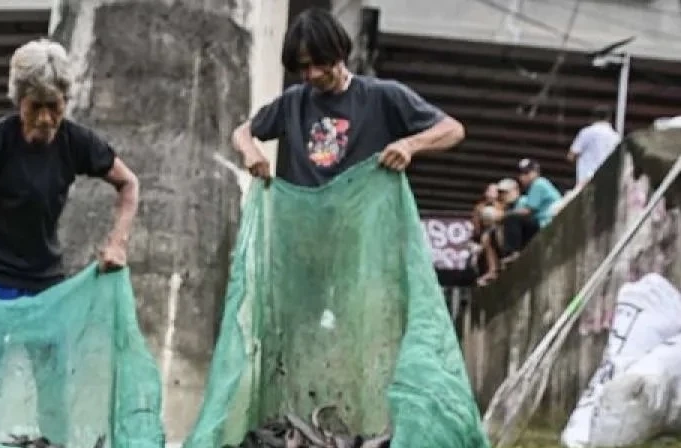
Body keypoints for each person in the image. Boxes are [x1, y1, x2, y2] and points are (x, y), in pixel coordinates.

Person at [0, 38, 141, 438]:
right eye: (35, 106)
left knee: (53, 389)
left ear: (65, 102)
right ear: (19, 101)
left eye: (54, 106)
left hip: (44, 285)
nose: (45, 118)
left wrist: (118, 243)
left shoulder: (76, 142)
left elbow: (128, 185)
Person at [231, 8, 465, 186]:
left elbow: (452, 130)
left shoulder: (383, 96)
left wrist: (408, 145)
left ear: (338, 53)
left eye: (320, 62)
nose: (313, 74)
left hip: (364, 233)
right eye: (304, 67)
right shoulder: (293, 102)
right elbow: (242, 133)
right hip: (307, 229)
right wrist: (251, 152)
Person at [498, 159, 560, 260]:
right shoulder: (534, 187)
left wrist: (504, 215)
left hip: (547, 221)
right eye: (521, 174)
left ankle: (512, 253)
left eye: (527, 173)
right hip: (542, 222)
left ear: (535, 172)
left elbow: (528, 211)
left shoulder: (539, 183)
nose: (523, 177)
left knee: (512, 218)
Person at [568, 105, 621, 187]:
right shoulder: (615, 137)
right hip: (607, 180)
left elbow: (571, 156)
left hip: (586, 179)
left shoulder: (586, 132)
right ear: (609, 118)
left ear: (593, 117)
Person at [470, 183, 503, 286]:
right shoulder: (479, 208)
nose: (492, 194)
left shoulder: (502, 206)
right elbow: (476, 230)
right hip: (481, 239)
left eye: (495, 192)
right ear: (486, 193)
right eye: (490, 191)